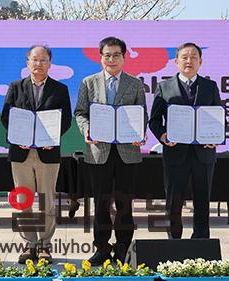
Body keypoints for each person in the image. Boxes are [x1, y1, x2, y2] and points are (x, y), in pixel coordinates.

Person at [74, 36, 148, 265]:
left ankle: (124, 248)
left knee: (124, 203)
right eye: (107, 55)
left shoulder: (135, 83)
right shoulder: (89, 82)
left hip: (127, 152)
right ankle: (102, 248)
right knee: (101, 203)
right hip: (99, 151)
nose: (112, 59)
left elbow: (141, 114)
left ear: (124, 58)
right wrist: (86, 131)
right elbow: (80, 112)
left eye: (116, 55)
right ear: (101, 57)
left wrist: (140, 133)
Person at [1, 45, 72, 264]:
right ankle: (29, 244)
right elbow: (6, 117)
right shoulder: (15, 87)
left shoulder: (60, 89)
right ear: (27, 62)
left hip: (48, 154)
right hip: (21, 154)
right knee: (23, 200)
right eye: (34, 60)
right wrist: (17, 136)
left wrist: (52, 138)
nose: (38, 64)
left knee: (47, 202)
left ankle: (44, 246)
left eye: (43, 60)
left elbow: (66, 120)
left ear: (50, 63)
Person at [149, 42, 222, 239]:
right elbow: (154, 120)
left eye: (193, 58)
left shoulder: (210, 86)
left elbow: (218, 117)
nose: (189, 61)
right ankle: (174, 242)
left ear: (200, 62)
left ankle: (201, 241)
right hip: (175, 154)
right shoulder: (164, 87)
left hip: (204, 154)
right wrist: (163, 136)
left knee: (202, 201)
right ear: (176, 61)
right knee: (173, 202)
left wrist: (215, 138)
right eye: (184, 57)